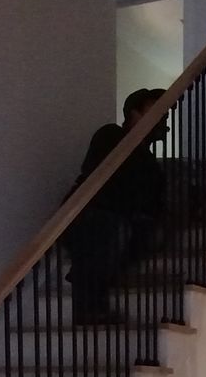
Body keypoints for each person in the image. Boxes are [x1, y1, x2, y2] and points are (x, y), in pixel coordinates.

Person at [68, 89, 168, 324]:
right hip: (87, 212)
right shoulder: (110, 135)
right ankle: (89, 303)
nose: (161, 119)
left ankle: (92, 272)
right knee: (112, 228)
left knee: (151, 233)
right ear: (134, 114)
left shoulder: (151, 165)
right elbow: (99, 173)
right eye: (154, 112)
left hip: (122, 218)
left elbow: (152, 201)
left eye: (163, 115)